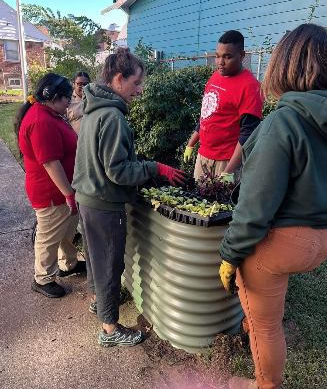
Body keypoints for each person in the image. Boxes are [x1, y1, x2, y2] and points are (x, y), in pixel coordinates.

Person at [219, 23, 327, 389]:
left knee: (267, 326)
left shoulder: (283, 122)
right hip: (320, 241)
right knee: (266, 311)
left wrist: (230, 255)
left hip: (282, 242)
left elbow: (254, 208)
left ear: (283, 64)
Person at [72, 47, 188, 347]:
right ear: (119, 79)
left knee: (96, 258)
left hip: (86, 197)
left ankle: (99, 302)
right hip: (105, 204)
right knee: (111, 265)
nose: (139, 91)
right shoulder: (112, 117)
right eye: (136, 84)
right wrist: (155, 167)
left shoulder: (92, 108)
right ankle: (110, 330)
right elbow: (118, 172)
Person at [15, 73, 86, 299]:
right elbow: (50, 163)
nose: (69, 102)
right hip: (51, 192)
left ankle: (68, 264)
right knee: (49, 235)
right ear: (53, 96)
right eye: (66, 98)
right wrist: (68, 194)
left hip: (64, 189)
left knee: (66, 230)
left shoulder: (49, 113)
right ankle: (43, 278)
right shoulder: (41, 121)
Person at [184, 30, 263, 181]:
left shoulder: (250, 88)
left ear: (241, 56)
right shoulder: (215, 77)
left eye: (227, 57)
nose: (220, 62)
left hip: (226, 162)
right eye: (217, 56)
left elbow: (248, 134)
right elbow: (207, 114)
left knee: (220, 204)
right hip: (203, 156)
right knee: (197, 202)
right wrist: (191, 143)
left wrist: (229, 171)